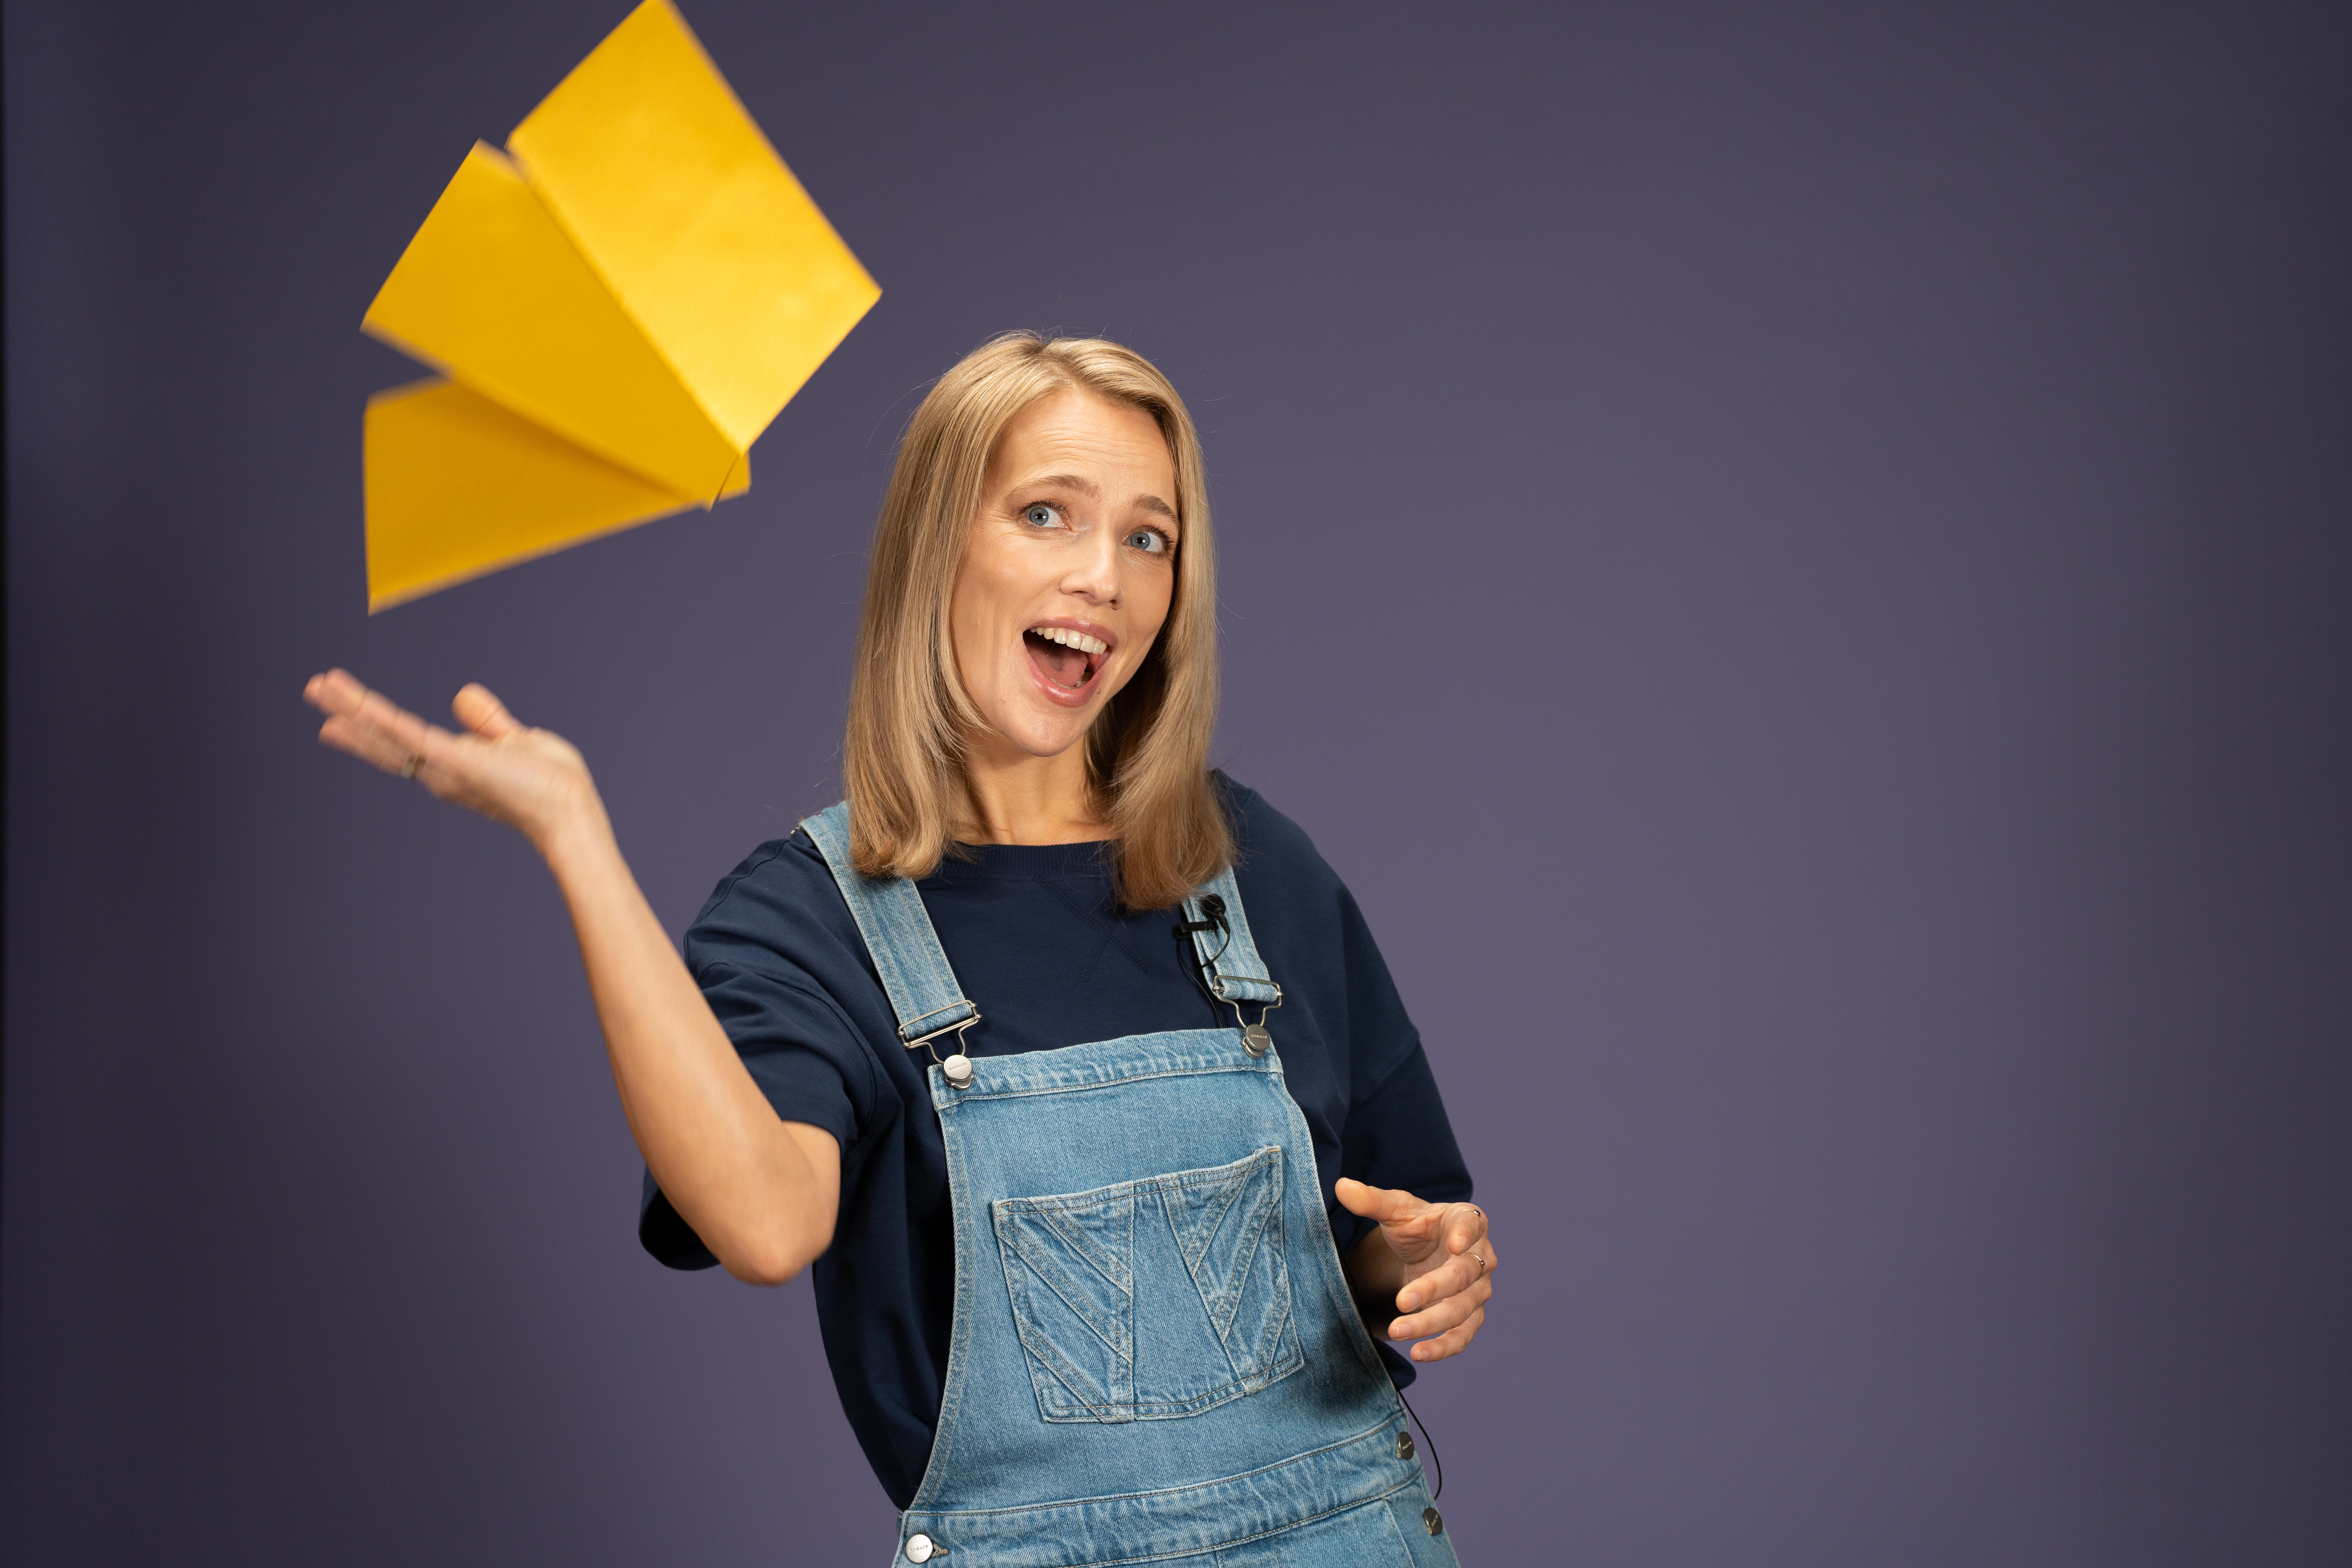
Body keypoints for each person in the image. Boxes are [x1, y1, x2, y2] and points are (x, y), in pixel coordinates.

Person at [305, 333, 1496, 1565]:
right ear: (940, 546)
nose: (1106, 576)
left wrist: (1413, 1261)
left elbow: (1403, 1231)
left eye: (1150, 537)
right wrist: (575, 837)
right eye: (1048, 514)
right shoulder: (810, 922)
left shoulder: (1250, 865)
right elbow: (767, 1227)